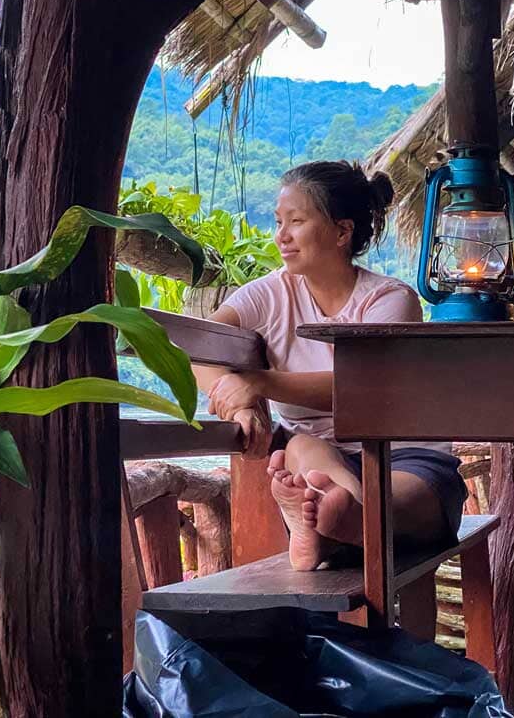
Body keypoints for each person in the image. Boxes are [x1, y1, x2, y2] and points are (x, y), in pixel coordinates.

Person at [194, 160, 466, 571]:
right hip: (321, 459)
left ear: (342, 231)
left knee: (378, 502)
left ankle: (340, 525)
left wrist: (259, 383)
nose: (281, 236)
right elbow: (200, 344)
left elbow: (364, 388)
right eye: (278, 221)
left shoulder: (390, 299)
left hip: (405, 457)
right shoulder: (270, 293)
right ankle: (336, 522)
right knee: (302, 448)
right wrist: (238, 404)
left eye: (297, 221)